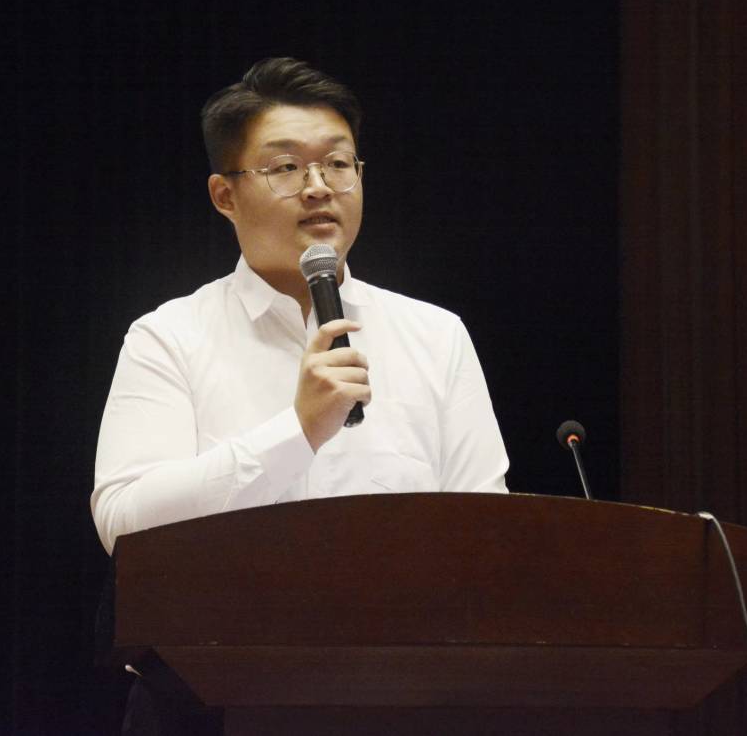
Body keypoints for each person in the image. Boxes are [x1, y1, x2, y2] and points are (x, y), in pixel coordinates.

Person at [91, 57, 509, 556]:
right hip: (232, 608)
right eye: (286, 168)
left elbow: (487, 530)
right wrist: (298, 430)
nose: (318, 187)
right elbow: (123, 524)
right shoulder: (170, 336)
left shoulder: (436, 336)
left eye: (338, 164)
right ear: (224, 196)